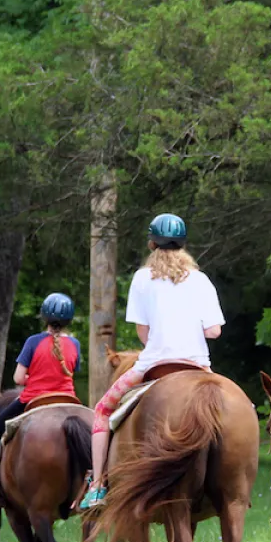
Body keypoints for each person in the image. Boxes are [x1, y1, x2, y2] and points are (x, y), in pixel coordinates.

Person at [79, 213, 224, 509]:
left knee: (103, 411)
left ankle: (96, 486)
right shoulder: (201, 280)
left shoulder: (142, 278)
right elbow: (214, 331)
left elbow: (143, 332)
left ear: (151, 243)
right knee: (239, 408)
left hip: (154, 364)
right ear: (184, 245)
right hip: (198, 366)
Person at [0, 293, 82, 504]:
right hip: (68, 400)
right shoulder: (75, 344)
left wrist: (35, 377)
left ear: (44, 317)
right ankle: (95, 481)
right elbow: (70, 371)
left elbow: (17, 377)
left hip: (34, 398)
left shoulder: (33, 341)